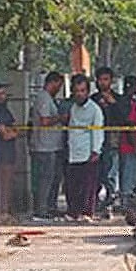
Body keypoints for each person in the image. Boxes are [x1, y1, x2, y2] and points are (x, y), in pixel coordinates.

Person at [63, 74, 104, 222]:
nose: (79, 94)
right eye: (77, 91)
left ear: (87, 92)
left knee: (88, 186)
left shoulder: (95, 110)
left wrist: (96, 150)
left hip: (88, 153)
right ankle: (73, 212)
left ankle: (87, 213)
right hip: (73, 152)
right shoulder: (73, 108)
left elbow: (97, 131)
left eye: (82, 90)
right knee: (73, 185)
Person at [29, 72, 65, 221]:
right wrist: (60, 118)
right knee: (45, 178)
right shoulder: (43, 98)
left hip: (52, 146)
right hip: (44, 147)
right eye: (59, 85)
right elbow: (44, 121)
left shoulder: (50, 98)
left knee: (53, 178)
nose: (59, 88)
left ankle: (50, 206)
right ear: (53, 82)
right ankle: (41, 209)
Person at [93, 66, 125, 216]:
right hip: (94, 141)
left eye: (106, 79)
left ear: (111, 81)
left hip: (112, 140)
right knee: (96, 172)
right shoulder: (92, 99)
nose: (103, 83)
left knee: (111, 173)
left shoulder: (118, 99)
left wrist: (113, 103)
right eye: (100, 80)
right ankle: (95, 201)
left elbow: (123, 118)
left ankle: (110, 202)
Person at [0, 82, 20, 225]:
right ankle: (2, 213)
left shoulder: (5, 110)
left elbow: (14, 129)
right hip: (1, 154)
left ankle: (6, 211)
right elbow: (6, 134)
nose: (2, 97)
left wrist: (14, 131)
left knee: (8, 184)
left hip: (8, 154)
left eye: (4, 93)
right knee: (3, 185)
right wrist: (15, 132)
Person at [117, 75, 136, 201]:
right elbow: (131, 124)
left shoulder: (122, 101)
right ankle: (126, 204)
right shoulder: (130, 103)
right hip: (130, 145)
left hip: (127, 144)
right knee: (129, 177)